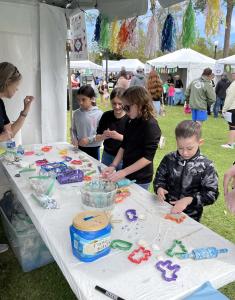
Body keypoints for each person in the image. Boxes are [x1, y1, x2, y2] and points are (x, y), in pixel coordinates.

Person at [153, 120, 219, 222]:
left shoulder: (207, 166)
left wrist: (189, 200)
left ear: (200, 142)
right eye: (180, 148)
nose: (184, 153)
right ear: (176, 142)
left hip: (191, 217)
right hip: (165, 209)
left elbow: (211, 194)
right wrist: (159, 188)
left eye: (189, 148)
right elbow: (159, 178)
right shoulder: (169, 159)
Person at [0, 62, 34, 253]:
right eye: (16, 85)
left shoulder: (0, 103)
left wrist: (26, 109)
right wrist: (2, 136)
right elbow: (5, 134)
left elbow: (11, 131)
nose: (17, 88)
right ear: (6, 82)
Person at [102, 86, 161, 190]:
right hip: (127, 172)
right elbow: (124, 145)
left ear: (140, 104)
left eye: (127, 107)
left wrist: (123, 172)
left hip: (141, 178)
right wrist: (113, 165)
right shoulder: (131, 121)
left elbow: (148, 158)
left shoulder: (151, 125)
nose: (124, 110)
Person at [96, 88, 128, 170]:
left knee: (119, 182)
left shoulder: (129, 118)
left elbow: (133, 141)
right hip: (107, 155)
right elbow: (97, 137)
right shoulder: (106, 116)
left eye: (120, 104)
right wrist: (104, 136)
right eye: (114, 103)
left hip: (123, 158)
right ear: (110, 102)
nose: (117, 107)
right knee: (104, 180)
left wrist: (119, 137)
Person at [71, 85, 103, 160]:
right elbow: (73, 129)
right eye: (78, 100)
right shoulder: (76, 113)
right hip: (79, 147)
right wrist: (74, 138)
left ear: (92, 99)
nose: (80, 102)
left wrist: (89, 140)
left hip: (94, 148)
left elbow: (102, 134)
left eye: (83, 99)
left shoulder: (99, 114)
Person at [221, 72, 235, 149]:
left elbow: (230, 98)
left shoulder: (233, 84)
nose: (232, 74)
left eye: (234, 73)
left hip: (232, 107)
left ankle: (230, 144)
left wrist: (224, 109)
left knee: (232, 126)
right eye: (232, 73)